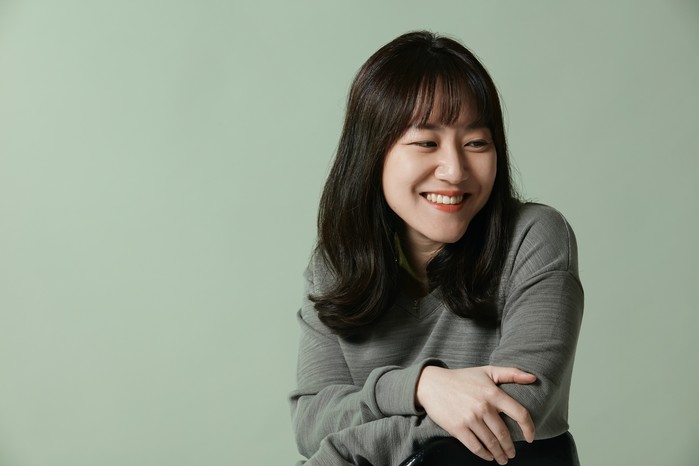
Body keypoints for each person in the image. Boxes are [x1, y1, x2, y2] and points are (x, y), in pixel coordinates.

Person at [289, 31, 584, 466]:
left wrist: (338, 453)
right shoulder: (334, 265)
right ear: (372, 153)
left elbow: (513, 411)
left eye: (476, 143)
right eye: (427, 143)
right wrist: (421, 386)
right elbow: (311, 421)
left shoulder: (534, 237)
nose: (455, 170)